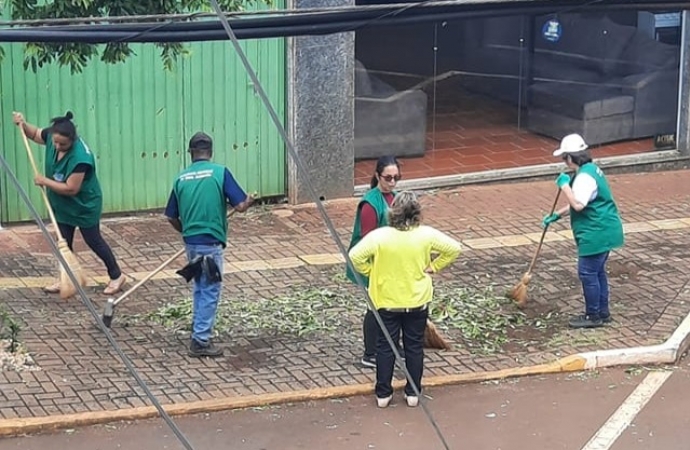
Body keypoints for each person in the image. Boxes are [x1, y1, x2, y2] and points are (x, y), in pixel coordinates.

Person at [349, 191, 462, 408]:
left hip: (386, 302)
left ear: (393, 212)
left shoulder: (380, 236)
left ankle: (383, 394)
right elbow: (454, 248)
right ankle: (412, 392)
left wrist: (371, 271)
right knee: (413, 346)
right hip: (417, 301)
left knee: (385, 346)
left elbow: (355, 257)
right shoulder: (426, 235)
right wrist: (434, 266)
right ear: (417, 212)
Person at [12, 111, 127, 295]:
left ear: (72, 139)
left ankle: (116, 275)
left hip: (83, 204)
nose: (57, 146)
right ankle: (66, 279)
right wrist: (22, 124)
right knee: (63, 240)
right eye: (55, 142)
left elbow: (71, 188)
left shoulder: (80, 158)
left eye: (62, 144)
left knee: (93, 240)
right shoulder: (53, 136)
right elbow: (34, 134)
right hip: (62, 205)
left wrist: (44, 181)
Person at [164, 132, 253, 358]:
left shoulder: (180, 178)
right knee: (210, 290)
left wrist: (184, 230)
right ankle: (200, 340)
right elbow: (240, 206)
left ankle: (198, 328)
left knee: (200, 286)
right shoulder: (219, 173)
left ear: (191, 153)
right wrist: (249, 201)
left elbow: (171, 216)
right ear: (210, 152)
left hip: (192, 242)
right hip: (211, 242)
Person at [542, 133, 625, 329]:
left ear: (571, 157)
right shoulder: (590, 170)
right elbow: (582, 201)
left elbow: (578, 204)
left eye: (564, 158)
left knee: (587, 273)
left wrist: (564, 186)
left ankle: (593, 316)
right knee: (597, 273)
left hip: (596, 232)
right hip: (604, 230)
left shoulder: (584, 177)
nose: (564, 162)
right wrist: (557, 215)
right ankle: (603, 313)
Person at [346, 156, 401, 368]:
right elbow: (368, 239)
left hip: (387, 260)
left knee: (388, 305)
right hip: (370, 262)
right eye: (388, 178)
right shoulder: (370, 203)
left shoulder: (394, 198)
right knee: (375, 306)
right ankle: (370, 353)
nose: (393, 182)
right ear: (378, 176)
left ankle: (389, 345)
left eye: (396, 178)